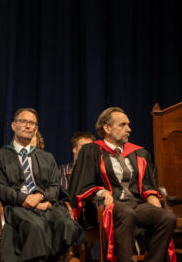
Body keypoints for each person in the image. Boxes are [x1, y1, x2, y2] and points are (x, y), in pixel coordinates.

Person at [69, 107, 177, 262]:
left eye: (128, 124)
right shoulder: (92, 151)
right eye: (122, 125)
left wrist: (151, 195)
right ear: (107, 128)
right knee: (127, 213)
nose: (129, 129)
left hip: (135, 204)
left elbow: (146, 184)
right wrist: (101, 192)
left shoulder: (138, 153)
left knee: (167, 218)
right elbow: (83, 184)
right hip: (106, 205)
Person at [0, 108, 85, 262]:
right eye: (23, 121)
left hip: (44, 204)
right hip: (16, 206)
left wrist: (39, 197)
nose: (28, 126)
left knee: (66, 224)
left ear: (36, 129)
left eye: (32, 123)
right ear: (13, 126)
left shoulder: (46, 157)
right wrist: (26, 200)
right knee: (35, 226)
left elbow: (55, 187)